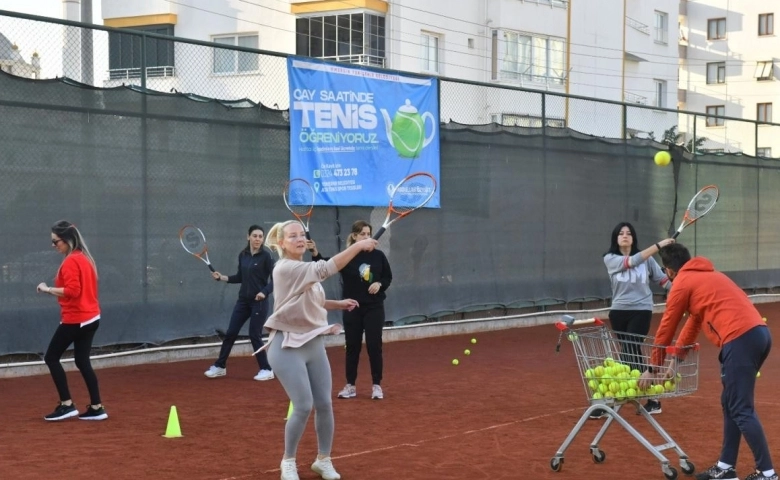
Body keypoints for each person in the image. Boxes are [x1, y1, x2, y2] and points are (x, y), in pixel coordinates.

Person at [638, 243, 775, 480]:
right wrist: (674, 363)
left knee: (741, 408)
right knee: (730, 402)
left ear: (669, 271)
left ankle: (768, 473)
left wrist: (652, 368)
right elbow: (692, 324)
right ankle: (725, 467)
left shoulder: (682, 283)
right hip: (759, 335)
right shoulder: (708, 277)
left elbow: (666, 328)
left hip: (739, 339)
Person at [262, 220, 377, 480]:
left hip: (313, 343)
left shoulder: (302, 269)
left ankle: (323, 460)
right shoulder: (285, 268)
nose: (299, 239)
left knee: (324, 404)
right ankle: (288, 462)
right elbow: (327, 268)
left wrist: (337, 304)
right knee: (303, 405)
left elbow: (310, 299)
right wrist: (359, 245)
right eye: (292, 236)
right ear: (281, 243)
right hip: (286, 345)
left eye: (302, 235)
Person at [595, 222, 674, 419]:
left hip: (641, 310)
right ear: (615, 238)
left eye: (628, 233)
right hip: (618, 312)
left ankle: (615, 399)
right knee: (631, 351)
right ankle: (650, 399)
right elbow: (631, 262)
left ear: (633, 238)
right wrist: (659, 245)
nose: (625, 236)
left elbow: (663, 281)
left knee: (630, 349)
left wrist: (680, 292)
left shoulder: (648, 261)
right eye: (621, 233)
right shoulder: (610, 258)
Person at [308, 220, 392, 400]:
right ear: (354, 236)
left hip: (374, 308)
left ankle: (376, 385)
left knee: (373, 346)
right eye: (362, 234)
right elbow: (325, 266)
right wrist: (315, 253)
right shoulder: (347, 257)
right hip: (352, 308)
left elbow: (387, 277)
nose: (366, 237)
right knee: (352, 347)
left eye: (368, 234)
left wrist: (379, 283)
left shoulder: (379, 256)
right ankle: (350, 386)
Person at [36, 220, 107, 421]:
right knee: (82, 360)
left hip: (77, 318)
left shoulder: (71, 261)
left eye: (56, 241)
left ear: (67, 240)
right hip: (91, 317)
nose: (53, 245)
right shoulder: (84, 258)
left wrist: (47, 289)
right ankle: (97, 407)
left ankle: (67, 405)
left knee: (51, 357)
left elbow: (73, 291)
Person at [204, 225, 275, 381]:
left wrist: (264, 292)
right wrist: (222, 277)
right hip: (243, 301)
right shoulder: (243, 255)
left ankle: (266, 369)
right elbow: (240, 277)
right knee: (231, 333)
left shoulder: (267, 257)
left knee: (254, 335)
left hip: (259, 302)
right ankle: (220, 366)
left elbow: (276, 280)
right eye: (255, 236)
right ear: (248, 237)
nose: (257, 239)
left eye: (260, 236)